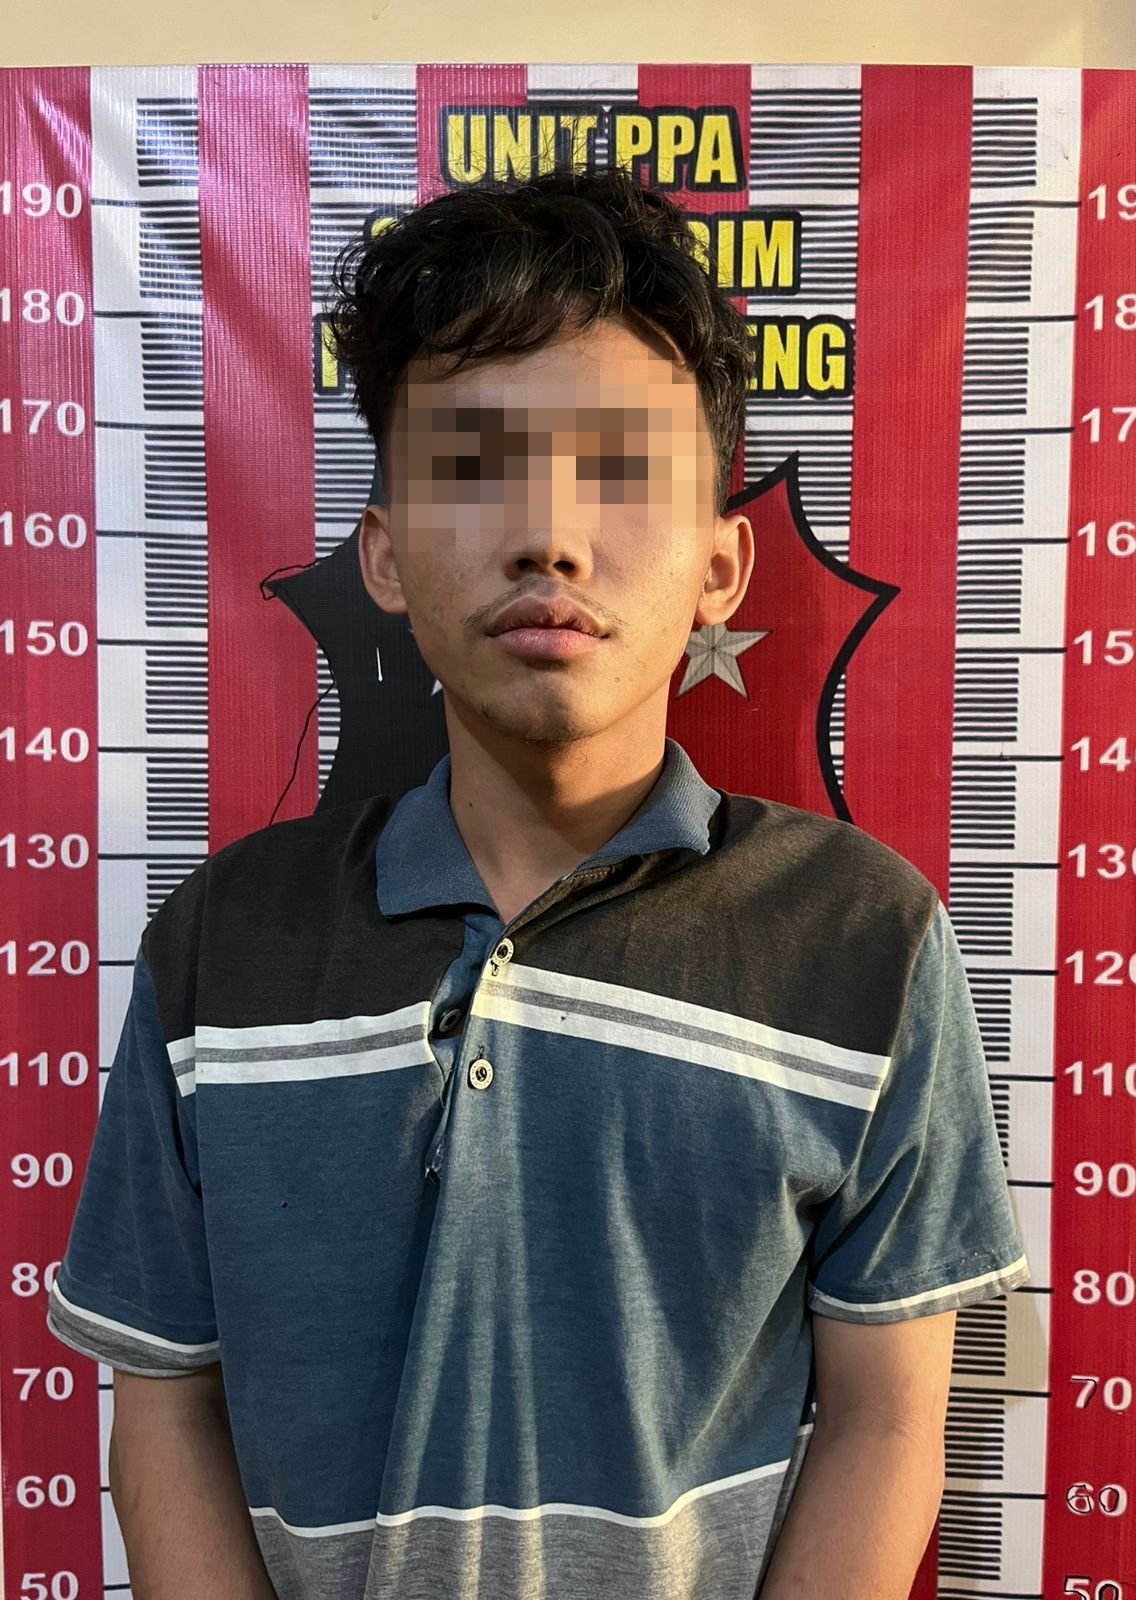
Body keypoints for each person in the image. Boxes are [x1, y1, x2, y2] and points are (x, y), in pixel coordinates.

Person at [46, 167, 1031, 1600]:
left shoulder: (862, 938)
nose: (549, 536)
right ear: (385, 555)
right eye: (472, 467)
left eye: (622, 470)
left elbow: (887, 1420)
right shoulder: (225, 943)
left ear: (722, 564)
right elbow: (165, 1410)